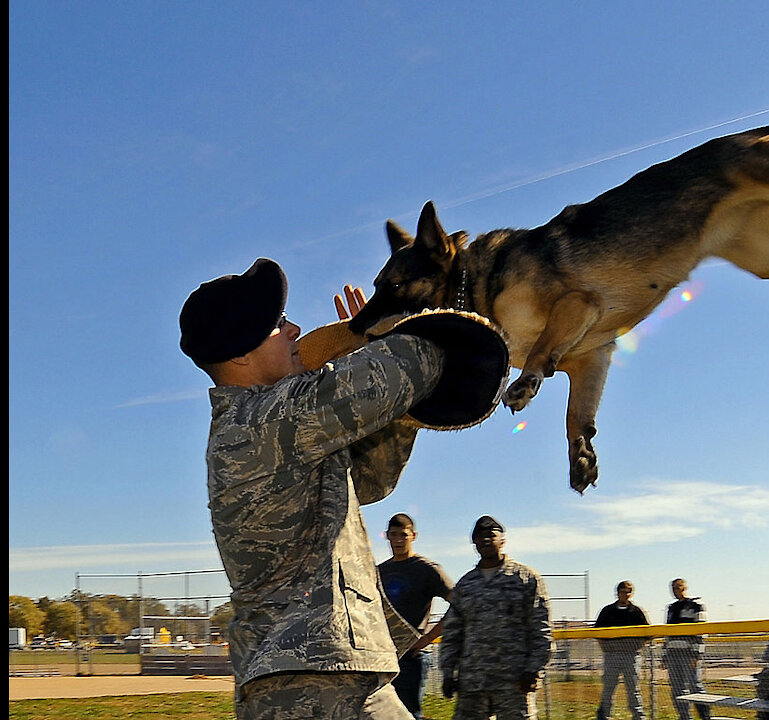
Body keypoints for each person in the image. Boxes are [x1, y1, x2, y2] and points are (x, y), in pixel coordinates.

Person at [180, 258, 508, 720]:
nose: (295, 329)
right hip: (307, 682)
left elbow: (371, 479)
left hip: (334, 674)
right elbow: (410, 365)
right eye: (278, 324)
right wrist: (408, 325)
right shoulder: (264, 421)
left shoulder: (279, 425)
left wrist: (370, 350)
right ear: (240, 353)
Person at [439, 516, 553, 720]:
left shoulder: (525, 578)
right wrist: (448, 673)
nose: (485, 540)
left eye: (491, 535)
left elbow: (541, 628)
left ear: (503, 540)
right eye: (480, 537)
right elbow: (452, 633)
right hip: (473, 682)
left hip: (514, 681)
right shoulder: (466, 585)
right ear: (474, 543)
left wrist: (534, 670)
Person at [378, 513, 454, 720]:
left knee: (409, 714)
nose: (399, 540)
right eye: (394, 535)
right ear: (386, 536)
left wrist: (428, 638)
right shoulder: (379, 571)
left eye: (403, 535)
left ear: (413, 536)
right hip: (383, 655)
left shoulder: (426, 569)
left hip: (412, 656)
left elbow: (459, 604)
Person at [593, 581, 651, 720]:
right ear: (618, 593)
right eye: (623, 591)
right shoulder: (607, 611)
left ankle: (638, 716)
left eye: (628, 592)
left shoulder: (636, 611)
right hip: (611, 656)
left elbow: (648, 633)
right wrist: (607, 649)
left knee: (633, 689)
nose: (625, 595)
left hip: (631, 657)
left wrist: (635, 648)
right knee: (608, 688)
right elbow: (597, 633)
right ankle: (604, 716)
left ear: (631, 593)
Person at [662, 579, 712, 720]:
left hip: (689, 653)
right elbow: (668, 632)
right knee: (677, 688)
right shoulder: (671, 608)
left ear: (685, 588)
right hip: (673, 653)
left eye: (679, 587)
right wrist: (664, 654)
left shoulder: (696, 605)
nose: (676, 590)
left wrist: (697, 654)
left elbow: (701, 631)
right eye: (673, 588)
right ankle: (684, 716)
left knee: (695, 685)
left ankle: (705, 716)